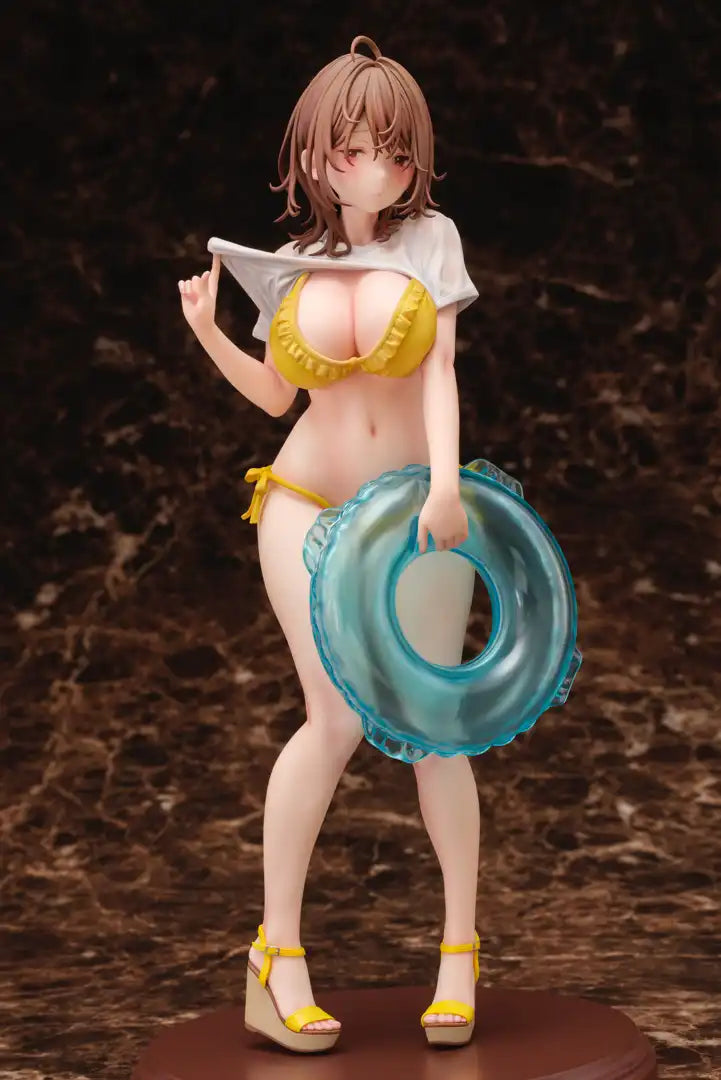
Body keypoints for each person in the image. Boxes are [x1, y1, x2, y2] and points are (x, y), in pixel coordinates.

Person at [179, 35, 483, 1053]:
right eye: (354, 151)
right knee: (332, 718)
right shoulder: (293, 265)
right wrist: (209, 331)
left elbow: (439, 371)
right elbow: (278, 397)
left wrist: (446, 481)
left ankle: (459, 953)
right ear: (314, 156)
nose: (377, 171)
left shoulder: (430, 239)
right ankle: (277, 958)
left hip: (412, 510)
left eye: (395, 152)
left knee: (434, 725)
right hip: (304, 502)